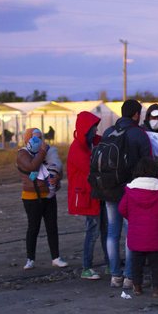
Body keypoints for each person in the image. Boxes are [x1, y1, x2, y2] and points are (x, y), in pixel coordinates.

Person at [94, 99, 153, 288]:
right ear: (136, 114)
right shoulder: (139, 133)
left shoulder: (109, 132)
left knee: (112, 232)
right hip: (130, 189)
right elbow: (148, 162)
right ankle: (129, 276)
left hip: (109, 188)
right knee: (130, 233)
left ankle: (115, 275)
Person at [118, 158, 158, 297]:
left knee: (137, 262)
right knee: (156, 262)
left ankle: (137, 287)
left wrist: (133, 219)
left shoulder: (130, 189)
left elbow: (122, 208)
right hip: (156, 231)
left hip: (136, 232)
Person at [17, 127, 68, 270]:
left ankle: (56, 257)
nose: (37, 140)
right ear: (27, 138)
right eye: (34, 137)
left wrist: (57, 178)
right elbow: (32, 166)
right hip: (31, 197)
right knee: (33, 227)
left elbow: (58, 168)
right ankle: (30, 259)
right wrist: (43, 151)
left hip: (49, 195)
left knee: (52, 227)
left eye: (39, 137)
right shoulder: (22, 153)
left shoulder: (47, 151)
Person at [67, 111, 107, 280]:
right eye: (93, 128)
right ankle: (87, 267)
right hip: (89, 197)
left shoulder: (93, 142)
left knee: (105, 230)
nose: (96, 131)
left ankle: (110, 263)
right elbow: (92, 167)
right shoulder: (77, 148)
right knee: (93, 231)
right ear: (85, 129)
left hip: (97, 195)